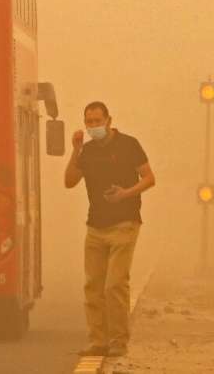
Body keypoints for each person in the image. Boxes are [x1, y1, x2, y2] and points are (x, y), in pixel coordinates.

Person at [64, 101, 156, 357]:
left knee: (114, 284)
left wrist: (126, 193)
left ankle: (118, 342)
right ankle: (98, 341)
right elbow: (69, 182)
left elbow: (150, 178)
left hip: (125, 223)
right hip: (95, 226)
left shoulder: (129, 145)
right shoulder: (87, 151)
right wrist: (76, 150)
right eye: (89, 122)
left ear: (109, 120)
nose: (94, 126)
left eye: (97, 121)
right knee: (93, 286)